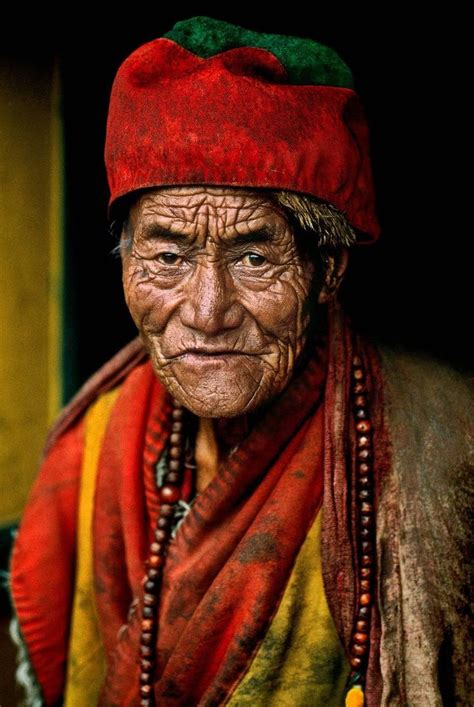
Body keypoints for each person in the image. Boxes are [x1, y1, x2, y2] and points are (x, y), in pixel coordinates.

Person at [8, 16, 472, 707]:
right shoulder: (94, 445)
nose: (206, 309)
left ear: (327, 271)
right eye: (167, 255)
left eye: (255, 256)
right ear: (125, 264)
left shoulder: (451, 443)